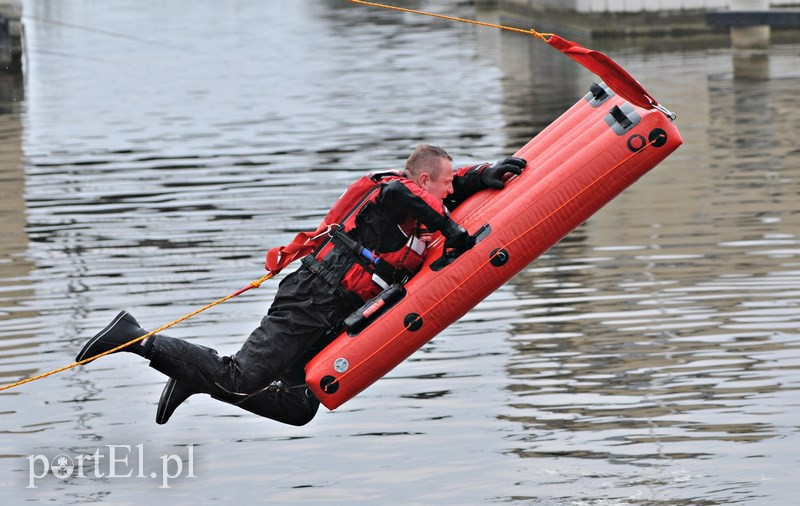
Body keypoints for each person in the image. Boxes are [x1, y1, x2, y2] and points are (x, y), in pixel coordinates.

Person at [76, 145, 526, 426]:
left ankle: (195, 377)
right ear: (424, 180)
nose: (451, 194)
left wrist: (480, 176)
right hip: (315, 294)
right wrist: (451, 232)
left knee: (299, 407)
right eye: (447, 184)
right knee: (239, 378)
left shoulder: (420, 196)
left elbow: (442, 188)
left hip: (336, 309)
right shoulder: (394, 195)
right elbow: (402, 195)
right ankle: (134, 338)